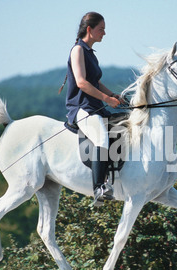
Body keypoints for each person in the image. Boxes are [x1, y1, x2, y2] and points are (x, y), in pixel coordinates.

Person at [61, 12, 121, 206]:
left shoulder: (90, 53)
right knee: (102, 138)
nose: (104, 33)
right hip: (81, 108)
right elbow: (82, 83)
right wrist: (106, 99)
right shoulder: (77, 50)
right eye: (101, 29)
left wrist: (113, 95)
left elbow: (95, 81)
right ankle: (98, 188)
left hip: (94, 107)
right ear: (89, 29)